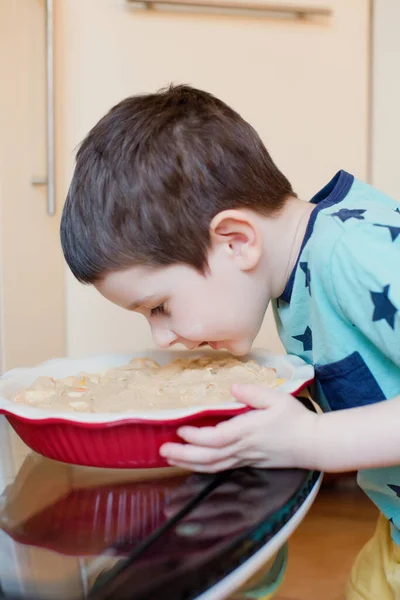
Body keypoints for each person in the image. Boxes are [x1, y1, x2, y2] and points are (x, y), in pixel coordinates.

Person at [61, 85, 400, 599]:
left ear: (236, 240)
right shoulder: (299, 275)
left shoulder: (354, 256)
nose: (163, 336)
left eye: (159, 306)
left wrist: (312, 441)